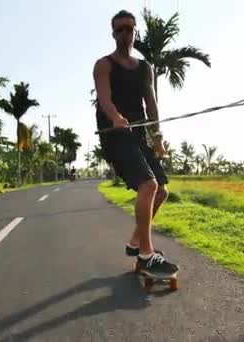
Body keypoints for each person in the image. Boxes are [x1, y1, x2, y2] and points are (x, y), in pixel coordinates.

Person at [93, 9, 178, 277]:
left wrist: (157, 137)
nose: (125, 34)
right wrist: (117, 117)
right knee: (148, 184)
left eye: (129, 29)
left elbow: (151, 105)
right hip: (116, 134)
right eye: (119, 29)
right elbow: (104, 99)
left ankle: (134, 243)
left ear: (135, 32)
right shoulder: (104, 65)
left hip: (139, 134)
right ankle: (146, 254)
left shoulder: (145, 68)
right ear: (113, 33)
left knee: (161, 191)